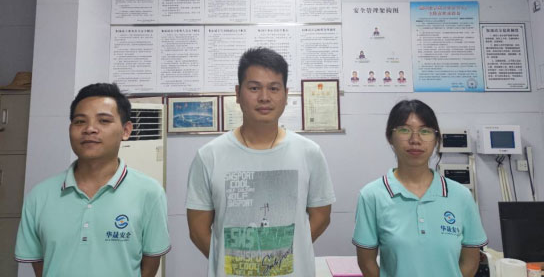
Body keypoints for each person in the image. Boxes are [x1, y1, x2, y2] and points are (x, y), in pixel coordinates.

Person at [186, 47, 335, 276]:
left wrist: (285, 252)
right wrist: (239, 261)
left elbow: (321, 217)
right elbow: (198, 230)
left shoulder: (309, 153)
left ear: (285, 94)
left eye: (274, 88)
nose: (264, 97)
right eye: (254, 88)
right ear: (238, 93)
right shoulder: (209, 156)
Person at [15, 83, 171, 277]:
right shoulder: (39, 196)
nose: (89, 129)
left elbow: (150, 264)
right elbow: (41, 266)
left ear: (126, 130)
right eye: (80, 121)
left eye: (104, 121)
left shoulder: (149, 193)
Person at [352, 100, 487, 277]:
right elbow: (367, 262)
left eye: (425, 131)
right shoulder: (372, 196)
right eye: (404, 130)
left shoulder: (461, 195)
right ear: (390, 137)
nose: (415, 140)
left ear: (436, 139)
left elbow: (470, 261)